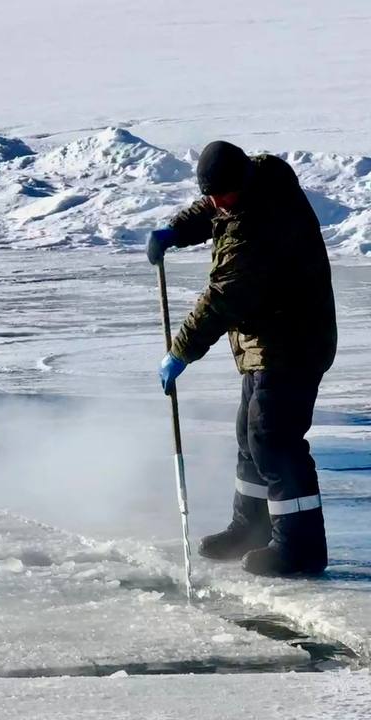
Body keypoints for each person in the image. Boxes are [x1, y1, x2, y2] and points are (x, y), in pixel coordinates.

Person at [148, 140, 337, 577]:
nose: (216, 203)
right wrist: (177, 230)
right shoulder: (257, 177)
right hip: (263, 340)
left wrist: (180, 352)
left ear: (242, 185)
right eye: (212, 194)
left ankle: (300, 546)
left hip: (294, 340)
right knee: (249, 434)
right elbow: (213, 207)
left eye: (222, 196)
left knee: (273, 438)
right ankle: (250, 527)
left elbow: (222, 299)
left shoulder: (257, 230)